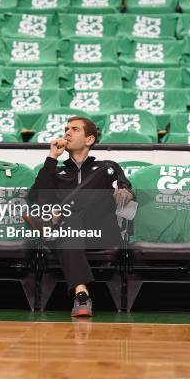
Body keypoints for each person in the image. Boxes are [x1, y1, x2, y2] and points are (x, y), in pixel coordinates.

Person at [29, 116, 133, 317]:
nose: (67, 132)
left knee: (70, 216)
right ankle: (81, 293)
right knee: (70, 220)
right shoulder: (56, 171)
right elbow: (35, 198)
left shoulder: (107, 167)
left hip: (100, 231)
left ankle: (55, 223)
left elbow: (127, 201)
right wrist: (52, 157)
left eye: (75, 129)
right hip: (68, 233)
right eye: (66, 128)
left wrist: (122, 197)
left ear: (90, 140)